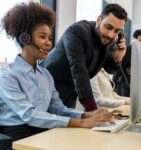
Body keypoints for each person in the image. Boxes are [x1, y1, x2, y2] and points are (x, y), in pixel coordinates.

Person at [0, 2, 119, 142]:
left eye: (50, 38)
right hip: (16, 136)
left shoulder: (45, 75)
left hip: (41, 130)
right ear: (25, 38)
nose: (49, 43)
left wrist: (86, 116)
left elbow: (58, 109)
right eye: (42, 37)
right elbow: (30, 115)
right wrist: (81, 123)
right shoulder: (8, 76)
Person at [40, 3, 128, 111]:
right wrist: (93, 110)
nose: (111, 34)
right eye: (108, 27)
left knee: (65, 124)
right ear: (99, 20)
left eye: (116, 31)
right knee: (47, 125)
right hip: (49, 84)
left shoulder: (109, 40)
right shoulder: (77, 31)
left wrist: (117, 58)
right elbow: (79, 70)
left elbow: (109, 69)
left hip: (71, 89)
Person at [113, 29, 141, 97]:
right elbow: (118, 68)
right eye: (140, 41)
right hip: (126, 83)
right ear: (135, 40)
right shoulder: (127, 50)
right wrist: (113, 86)